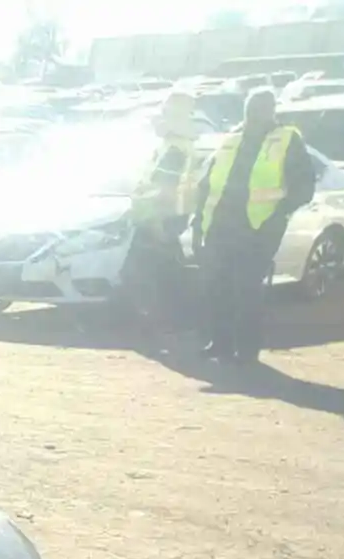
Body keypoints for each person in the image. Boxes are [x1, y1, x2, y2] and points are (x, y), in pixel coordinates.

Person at [193, 88, 316, 365]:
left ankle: (246, 351)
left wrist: (278, 216)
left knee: (247, 290)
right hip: (220, 227)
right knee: (217, 287)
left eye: (262, 108)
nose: (255, 114)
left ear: (272, 111)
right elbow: (207, 183)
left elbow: (304, 186)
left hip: (258, 229)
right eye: (251, 108)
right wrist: (198, 223)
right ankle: (221, 343)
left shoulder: (286, 139)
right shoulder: (231, 139)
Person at [125, 90, 200, 329]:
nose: (158, 118)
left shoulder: (175, 147)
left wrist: (154, 221)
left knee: (161, 272)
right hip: (169, 215)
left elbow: (163, 187)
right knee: (169, 269)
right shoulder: (174, 143)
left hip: (163, 217)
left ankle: (171, 320)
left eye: (164, 112)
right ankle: (178, 318)